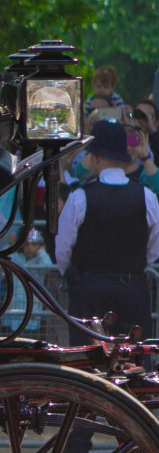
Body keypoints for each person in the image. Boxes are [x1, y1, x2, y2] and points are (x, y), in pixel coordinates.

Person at [58, 120, 159, 345]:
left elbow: (63, 249)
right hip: (133, 290)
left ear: (95, 157)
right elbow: (153, 249)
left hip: (89, 291)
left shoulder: (80, 197)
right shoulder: (147, 197)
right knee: (134, 364)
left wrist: (78, 279)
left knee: (87, 364)